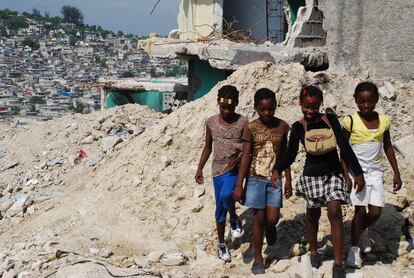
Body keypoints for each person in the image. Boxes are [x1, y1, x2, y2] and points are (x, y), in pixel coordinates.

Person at [272, 85, 365, 278]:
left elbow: (344, 147)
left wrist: (358, 173)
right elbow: (290, 155)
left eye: (314, 107)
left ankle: (338, 264)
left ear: (320, 104)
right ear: (300, 104)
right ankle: (314, 251)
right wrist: (277, 169)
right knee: (312, 216)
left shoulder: (330, 120)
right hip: (311, 176)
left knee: (334, 210)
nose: (310, 110)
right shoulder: (298, 127)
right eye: (307, 106)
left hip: (333, 174)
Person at [342, 81, 402, 268]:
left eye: (370, 101)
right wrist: (346, 175)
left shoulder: (384, 120)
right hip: (357, 173)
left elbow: (388, 146)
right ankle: (353, 249)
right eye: (362, 101)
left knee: (376, 211)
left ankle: (363, 232)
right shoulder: (350, 121)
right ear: (356, 101)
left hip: (375, 172)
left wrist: (396, 173)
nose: (366, 105)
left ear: (376, 100)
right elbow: (343, 150)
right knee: (359, 210)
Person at [233, 88, 292, 275]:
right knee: (258, 217)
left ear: (275, 107)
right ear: (256, 108)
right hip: (255, 179)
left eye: (270, 109)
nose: (267, 113)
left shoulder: (283, 126)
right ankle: (258, 259)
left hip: (274, 179)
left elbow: (285, 155)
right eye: (262, 110)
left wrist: (288, 179)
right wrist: (239, 185)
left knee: (272, 217)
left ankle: (270, 227)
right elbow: (245, 157)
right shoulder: (250, 128)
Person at [195, 85, 248, 262]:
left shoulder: (243, 122)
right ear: (218, 104)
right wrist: (200, 167)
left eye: (230, 108)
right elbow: (208, 147)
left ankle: (233, 218)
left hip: (235, 169)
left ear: (236, 105)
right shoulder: (211, 122)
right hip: (217, 170)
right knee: (219, 209)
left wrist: (239, 159)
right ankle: (221, 244)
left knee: (227, 195)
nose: (226, 111)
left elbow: (249, 148)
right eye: (223, 107)